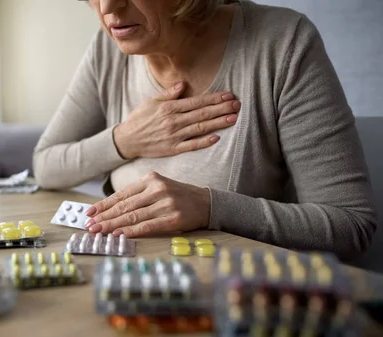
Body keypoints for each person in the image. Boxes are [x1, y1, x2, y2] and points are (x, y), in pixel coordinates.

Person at [33, 0, 378, 260]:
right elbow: (46, 166)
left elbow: (351, 225)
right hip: (125, 277)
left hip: (234, 290)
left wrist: (210, 207)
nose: (108, 7)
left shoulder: (283, 43)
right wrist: (125, 139)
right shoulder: (109, 47)